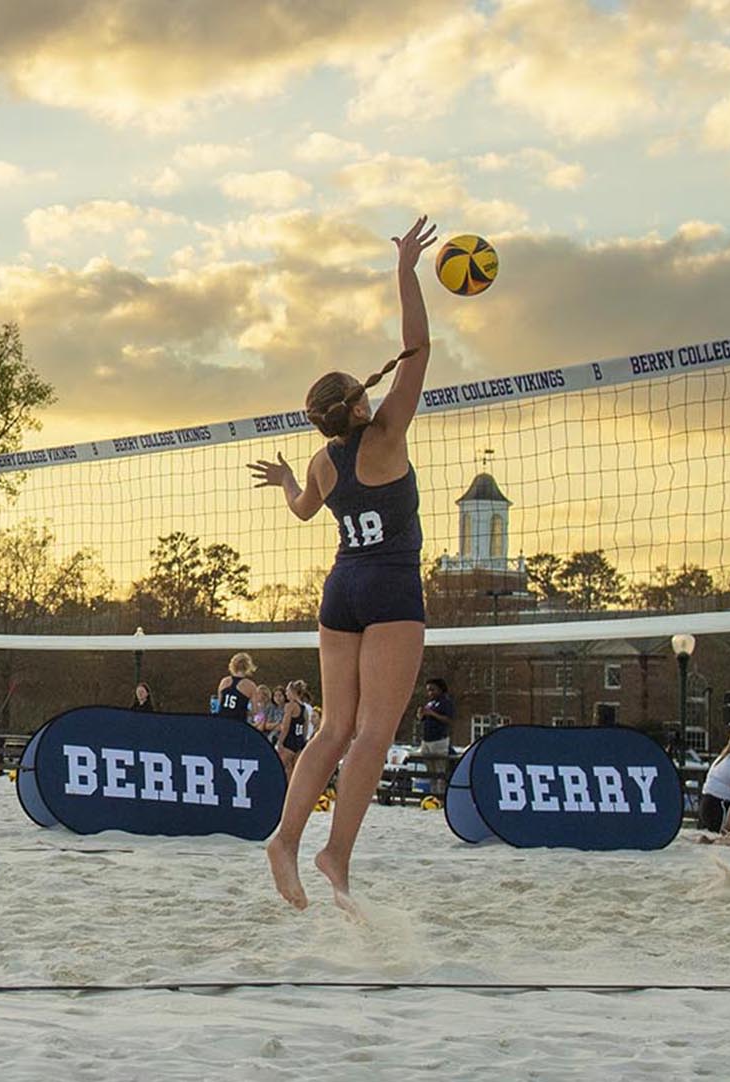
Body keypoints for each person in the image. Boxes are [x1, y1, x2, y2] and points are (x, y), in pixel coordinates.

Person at [249, 215, 436, 914]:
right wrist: (406, 271)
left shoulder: (323, 462)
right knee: (373, 735)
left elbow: (304, 511)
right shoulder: (386, 436)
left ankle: (286, 839)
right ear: (358, 404)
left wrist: (289, 487)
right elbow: (417, 349)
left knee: (333, 729)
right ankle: (336, 853)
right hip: (388, 587)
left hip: (342, 588)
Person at [278, 680, 314, 773]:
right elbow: (305, 727)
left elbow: (285, 726)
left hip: (289, 741)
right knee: (292, 770)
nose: (286, 694)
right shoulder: (304, 708)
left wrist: (280, 742)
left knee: (279, 767)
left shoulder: (290, 706)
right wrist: (302, 741)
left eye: (287, 691)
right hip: (299, 741)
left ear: (292, 691)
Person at [214, 653, 260, 725]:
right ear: (248, 666)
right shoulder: (250, 685)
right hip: (238, 722)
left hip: (222, 720)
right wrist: (245, 711)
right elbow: (255, 710)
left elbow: (220, 703)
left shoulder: (224, 681)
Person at [416, 677, 453, 755]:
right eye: (428, 690)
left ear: (440, 689)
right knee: (428, 764)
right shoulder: (430, 704)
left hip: (439, 740)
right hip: (426, 740)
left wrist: (432, 713)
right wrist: (421, 715)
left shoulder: (445, 702)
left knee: (439, 765)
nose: (430, 693)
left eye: (432, 690)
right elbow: (424, 719)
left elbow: (448, 719)